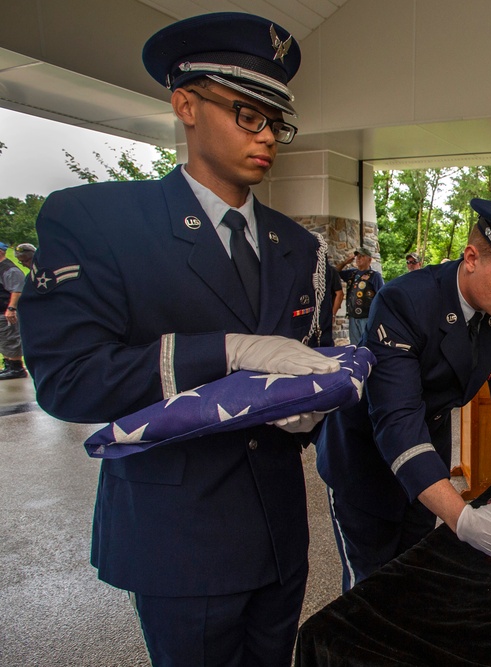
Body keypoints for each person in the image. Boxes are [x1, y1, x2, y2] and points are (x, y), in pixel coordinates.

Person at [18, 13, 337, 664]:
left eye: (276, 120)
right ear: (185, 105)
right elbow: (68, 378)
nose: (268, 135)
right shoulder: (103, 223)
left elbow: (304, 362)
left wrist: (311, 410)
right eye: (249, 113)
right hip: (179, 541)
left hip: (279, 533)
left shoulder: (298, 246)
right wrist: (224, 351)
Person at [315, 198, 491, 591]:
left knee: (416, 571)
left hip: (429, 448)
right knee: (371, 589)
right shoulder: (404, 301)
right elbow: (397, 420)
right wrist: (463, 518)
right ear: (471, 257)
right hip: (366, 456)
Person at [337, 246, 384, 344]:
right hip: (353, 316)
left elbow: (381, 296)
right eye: (357, 256)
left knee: (367, 344)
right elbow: (336, 272)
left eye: (362, 256)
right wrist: (346, 262)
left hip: (366, 317)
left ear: (369, 259)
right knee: (355, 345)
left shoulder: (375, 276)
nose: (358, 258)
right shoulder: (352, 273)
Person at [0, 242, 27, 379]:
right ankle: (9, 365)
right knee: (4, 339)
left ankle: (17, 368)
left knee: (10, 338)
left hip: (6, 311)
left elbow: (17, 290)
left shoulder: (9, 270)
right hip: (2, 311)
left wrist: (11, 308)